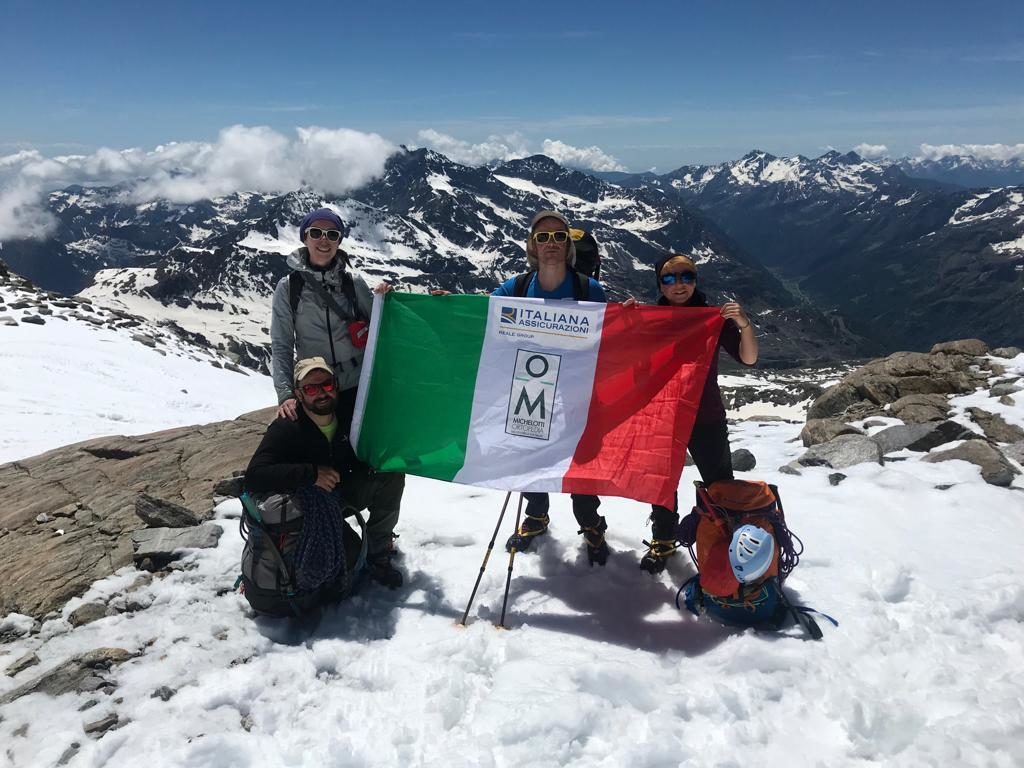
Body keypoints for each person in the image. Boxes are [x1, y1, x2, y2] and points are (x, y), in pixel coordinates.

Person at [497, 210, 611, 565]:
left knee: (580, 464)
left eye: (559, 237)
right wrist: (440, 303)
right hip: (532, 391)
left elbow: (609, 336)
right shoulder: (515, 288)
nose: (551, 244)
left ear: (568, 246)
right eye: (542, 237)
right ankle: (536, 515)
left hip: (578, 394)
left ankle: (591, 523)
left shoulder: (587, 289)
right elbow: (477, 315)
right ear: (532, 245)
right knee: (530, 459)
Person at [636, 253, 759, 573]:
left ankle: (729, 538)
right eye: (669, 278)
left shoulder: (711, 317)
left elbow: (748, 358)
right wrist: (626, 319)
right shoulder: (650, 318)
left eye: (686, 276)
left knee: (720, 483)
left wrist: (743, 324)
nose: (679, 284)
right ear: (659, 283)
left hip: (706, 417)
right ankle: (662, 539)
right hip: (664, 415)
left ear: (695, 280)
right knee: (662, 483)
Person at [246, 357, 405, 591]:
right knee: (347, 559)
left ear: (336, 385)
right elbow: (254, 476)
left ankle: (379, 553)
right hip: (307, 511)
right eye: (310, 388)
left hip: (338, 494)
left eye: (327, 385)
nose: (321, 393)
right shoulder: (287, 427)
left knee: (391, 476)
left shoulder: (347, 416)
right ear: (299, 395)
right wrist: (311, 475)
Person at [271, 208, 374, 421]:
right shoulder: (289, 288)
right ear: (305, 237)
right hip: (316, 389)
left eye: (332, 234)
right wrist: (285, 394)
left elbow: (383, 327)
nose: (324, 240)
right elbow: (282, 344)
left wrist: (436, 302)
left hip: (360, 383)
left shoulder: (354, 284)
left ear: (338, 242)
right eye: (316, 233)